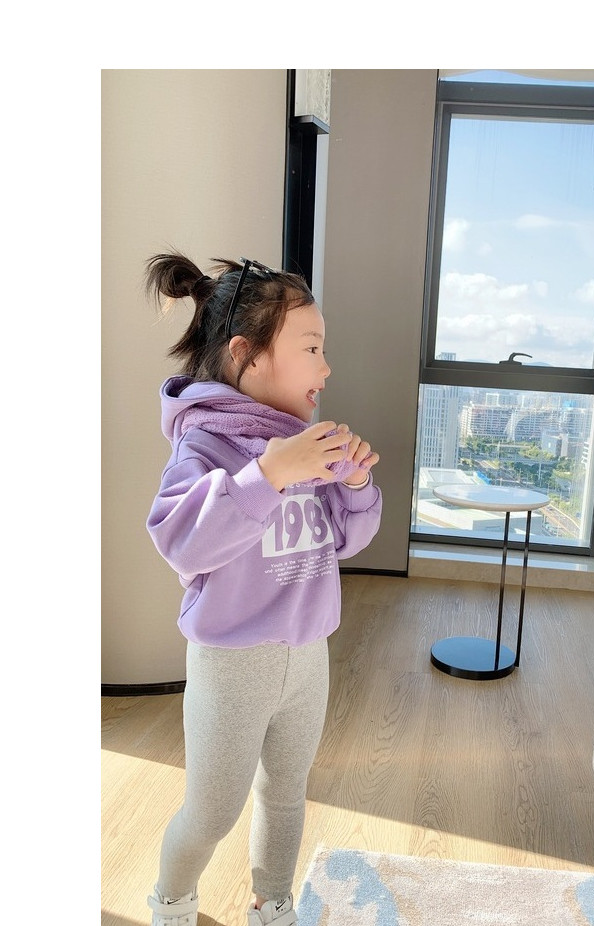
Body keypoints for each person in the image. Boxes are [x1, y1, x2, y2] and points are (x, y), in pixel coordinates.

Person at [143, 251, 382, 926]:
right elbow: (184, 544)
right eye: (311, 348)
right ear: (246, 355)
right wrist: (268, 476)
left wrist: (356, 484)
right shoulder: (204, 448)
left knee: (286, 794)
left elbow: (345, 542)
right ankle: (171, 899)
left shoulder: (307, 442)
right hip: (232, 663)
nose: (325, 368)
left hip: (308, 656)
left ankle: (273, 902)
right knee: (212, 811)